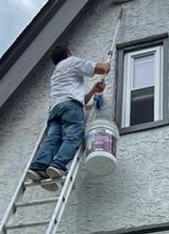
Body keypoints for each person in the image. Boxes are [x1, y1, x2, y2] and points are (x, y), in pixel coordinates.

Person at [27, 44, 110, 185]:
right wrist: (107, 66)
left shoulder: (56, 74)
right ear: (69, 53)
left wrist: (92, 91)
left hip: (55, 110)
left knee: (52, 139)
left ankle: (38, 167)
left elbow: (78, 99)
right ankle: (58, 165)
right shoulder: (71, 62)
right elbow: (101, 68)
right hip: (70, 107)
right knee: (72, 136)